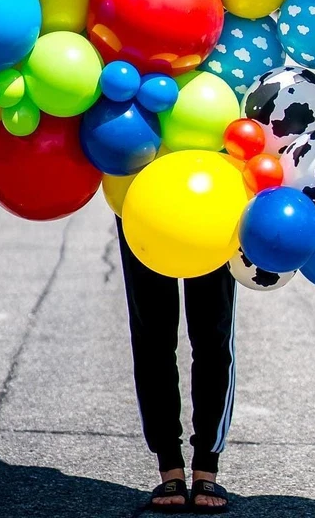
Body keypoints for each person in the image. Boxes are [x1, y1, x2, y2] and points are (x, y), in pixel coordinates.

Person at [116, 218, 236, 513]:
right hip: (140, 186)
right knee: (151, 333)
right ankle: (169, 466)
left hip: (216, 191)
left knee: (213, 331)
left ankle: (206, 468)